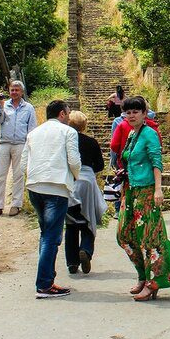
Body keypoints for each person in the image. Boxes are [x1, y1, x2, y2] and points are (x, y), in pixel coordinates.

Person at [116, 96, 170, 301]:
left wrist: (158, 189)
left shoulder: (149, 134)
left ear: (144, 113)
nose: (131, 115)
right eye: (128, 112)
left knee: (150, 238)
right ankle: (143, 274)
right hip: (130, 191)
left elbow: (157, 161)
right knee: (125, 235)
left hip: (147, 190)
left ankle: (152, 282)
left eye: (135, 112)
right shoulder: (131, 134)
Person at [20, 100, 81, 299]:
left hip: (35, 186)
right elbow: (73, 160)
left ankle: (47, 278)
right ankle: (45, 284)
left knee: (45, 233)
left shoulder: (33, 133)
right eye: (68, 113)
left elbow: (23, 164)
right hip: (56, 187)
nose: (70, 116)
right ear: (62, 114)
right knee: (51, 236)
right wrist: (75, 176)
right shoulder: (68, 132)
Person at [65, 111, 105, 275]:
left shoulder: (66, 141)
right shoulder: (91, 142)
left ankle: (72, 262)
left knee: (71, 222)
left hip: (70, 180)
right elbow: (100, 165)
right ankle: (86, 250)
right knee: (89, 219)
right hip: (88, 181)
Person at [0, 80, 37, 218]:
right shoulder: (4, 105)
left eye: (17, 90)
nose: (14, 92)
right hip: (5, 143)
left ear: (22, 92)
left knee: (18, 175)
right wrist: (0, 105)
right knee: (0, 175)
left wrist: (29, 146)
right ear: (9, 91)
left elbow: (32, 128)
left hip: (20, 144)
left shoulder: (29, 108)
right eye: (12, 90)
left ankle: (16, 205)